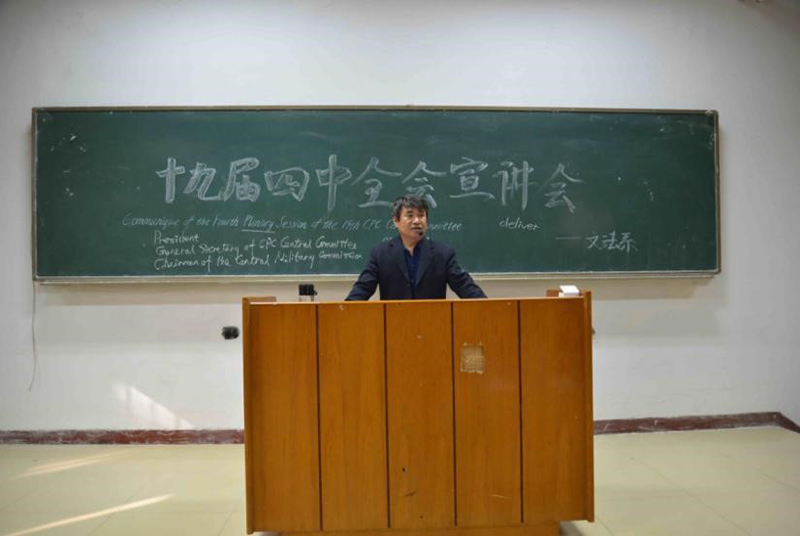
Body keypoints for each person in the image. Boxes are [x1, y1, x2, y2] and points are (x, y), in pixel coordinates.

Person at [346, 195, 486, 301]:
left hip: (434, 324)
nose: (417, 221)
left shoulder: (443, 253)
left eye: (421, 215)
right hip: (394, 324)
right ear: (396, 221)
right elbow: (363, 288)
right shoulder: (380, 254)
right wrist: (344, 309)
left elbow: (464, 286)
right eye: (410, 215)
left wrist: (486, 305)